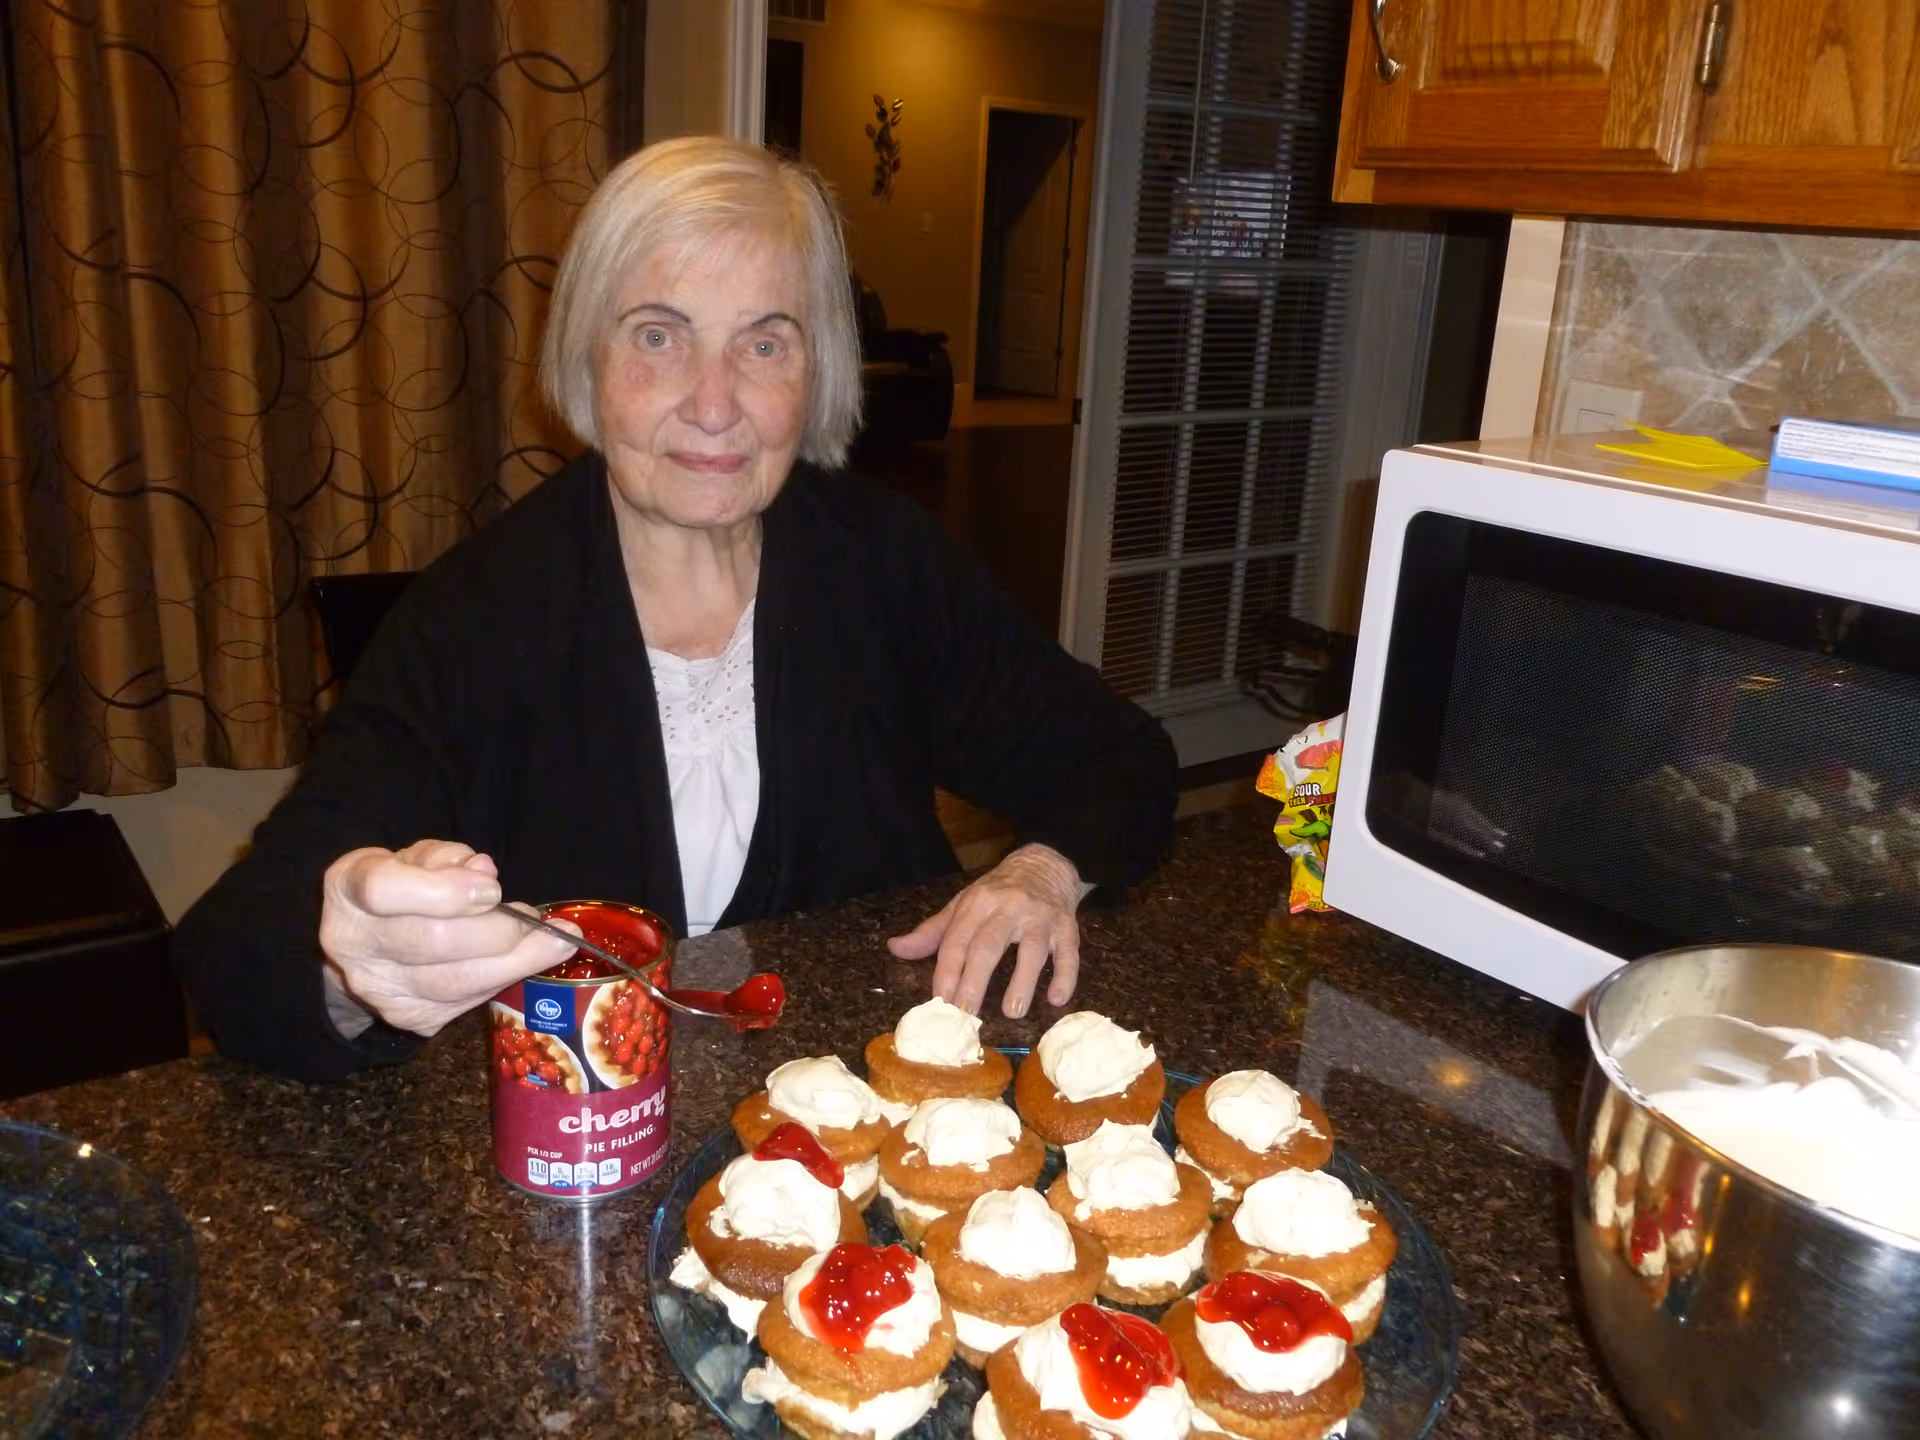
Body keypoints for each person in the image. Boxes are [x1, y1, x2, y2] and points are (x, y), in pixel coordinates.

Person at [172, 137, 1176, 1083]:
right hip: (589, 1163)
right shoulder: (477, 616)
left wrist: (1042, 872)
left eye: (764, 343)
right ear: (589, 357)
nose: (712, 401)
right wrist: (349, 963)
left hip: (870, 1137)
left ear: (813, 370)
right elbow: (237, 951)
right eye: (661, 335)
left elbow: (1117, 759)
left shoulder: (884, 563)